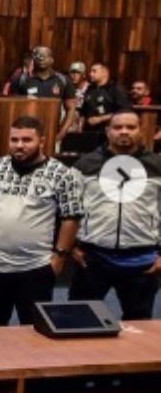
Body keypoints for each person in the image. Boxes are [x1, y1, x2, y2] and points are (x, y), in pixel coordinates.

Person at [0, 116, 83, 326]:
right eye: (14, 139)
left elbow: (71, 218)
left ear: (42, 141)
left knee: (34, 330)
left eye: (27, 140)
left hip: (35, 268)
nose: (19, 145)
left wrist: (60, 256)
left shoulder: (61, 174)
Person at [69, 111, 161, 319]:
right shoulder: (85, 165)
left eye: (131, 127)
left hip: (142, 260)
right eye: (118, 127)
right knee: (79, 319)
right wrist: (71, 247)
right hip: (92, 258)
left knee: (139, 325)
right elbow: (68, 207)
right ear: (107, 131)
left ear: (141, 131)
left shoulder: (157, 166)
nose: (124, 132)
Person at [10, 46, 78, 137]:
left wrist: (63, 131)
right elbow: (13, 108)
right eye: (38, 55)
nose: (41, 58)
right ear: (33, 59)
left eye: (45, 56)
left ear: (52, 60)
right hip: (27, 130)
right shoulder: (21, 80)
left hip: (53, 131)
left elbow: (71, 109)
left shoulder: (63, 80)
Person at [77, 63, 131, 133]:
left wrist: (100, 119)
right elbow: (84, 110)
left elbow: (124, 111)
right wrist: (80, 127)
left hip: (108, 130)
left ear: (104, 73)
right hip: (88, 131)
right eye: (90, 71)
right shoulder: (90, 89)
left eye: (94, 71)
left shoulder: (115, 89)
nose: (90, 74)